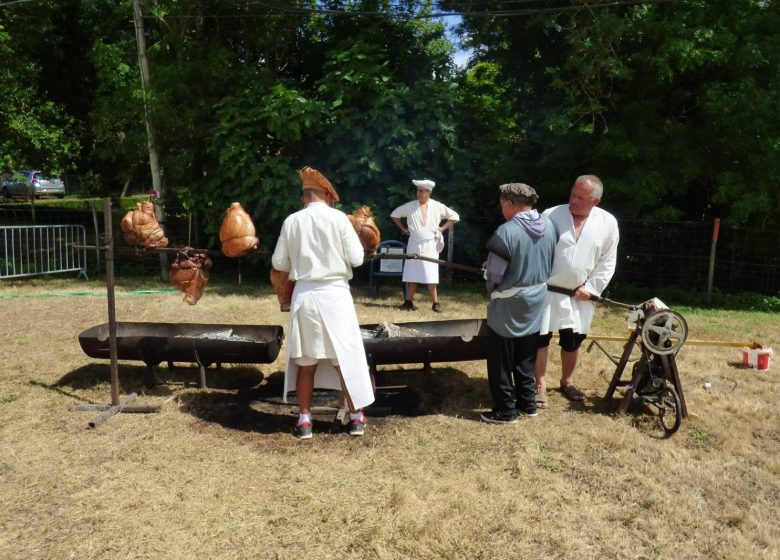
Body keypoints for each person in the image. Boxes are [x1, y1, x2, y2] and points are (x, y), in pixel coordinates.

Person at [271, 166, 375, 439]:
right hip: (335, 296)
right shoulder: (340, 219)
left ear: (306, 197)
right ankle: (355, 418)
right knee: (346, 360)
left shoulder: (291, 221)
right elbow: (357, 258)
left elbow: (279, 262)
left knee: (306, 363)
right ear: (327, 195)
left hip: (305, 296)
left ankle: (305, 421)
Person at [534, 174, 619, 408]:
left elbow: (608, 260)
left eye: (581, 198)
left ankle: (567, 381)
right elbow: (535, 250)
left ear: (596, 201)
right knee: (540, 339)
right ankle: (539, 384)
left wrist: (592, 288)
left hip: (579, 294)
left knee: (573, 341)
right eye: (573, 194)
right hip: (547, 290)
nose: (574, 201)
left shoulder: (607, 223)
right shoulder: (550, 215)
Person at [481, 183, 557, 424]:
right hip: (537, 300)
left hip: (508, 303)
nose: (500, 208)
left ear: (511, 204)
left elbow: (494, 275)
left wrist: (490, 285)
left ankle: (505, 411)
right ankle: (527, 404)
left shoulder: (506, 232)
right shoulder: (549, 226)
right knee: (526, 356)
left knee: (500, 360)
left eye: (502, 203)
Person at [390, 178, 460, 312]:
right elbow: (394, 215)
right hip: (414, 242)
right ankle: (408, 302)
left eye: (423, 191)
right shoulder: (410, 206)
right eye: (418, 190)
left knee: (430, 272)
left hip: (430, 244)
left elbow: (455, 217)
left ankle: (435, 303)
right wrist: (403, 229)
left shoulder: (437, 206)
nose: (420, 193)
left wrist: (442, 228)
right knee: (412, 272)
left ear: (429, 193)